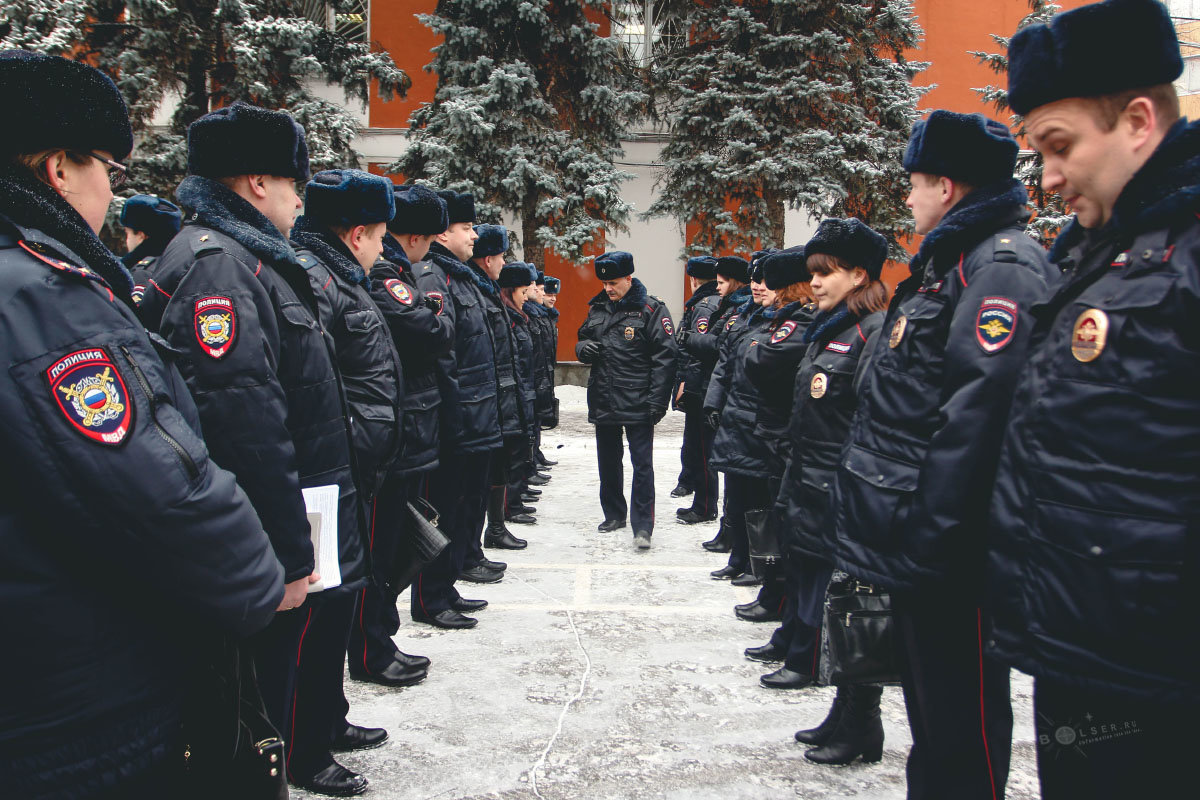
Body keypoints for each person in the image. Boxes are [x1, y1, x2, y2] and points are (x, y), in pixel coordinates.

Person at [0, 50, 284, 800]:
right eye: (106, 168)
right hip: (71, 700)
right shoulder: (42, 295)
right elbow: (150, 485)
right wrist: (254, 578)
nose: (111, 192)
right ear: (59, 168)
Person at [989, 2, 1197, 797]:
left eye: (1059, 146)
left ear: (1139, 121)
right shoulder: (1099, 254)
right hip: (1081, 651)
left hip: (1162, 685)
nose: (1045, 178)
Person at [138, 101, 372, 796]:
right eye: (294, 183)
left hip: (296, 508)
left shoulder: (250, 259)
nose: (303, 199)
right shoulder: (221, 267)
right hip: (269, 529)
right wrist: (285, 555)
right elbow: (245, 424)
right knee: (260, 698)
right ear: (257, 183)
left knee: (280, 680)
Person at [831, 110, 1056, 799]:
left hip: (954, 550)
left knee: (963, 731)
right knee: (934, 728)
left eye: (915, 183)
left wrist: (931, 535)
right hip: (921, 540)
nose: (907, 197)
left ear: (948, 188)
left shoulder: (1000, 269)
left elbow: (980, 421)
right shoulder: (949, 267)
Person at [289, 170, 409, 764]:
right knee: (317, 615)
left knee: (337, 605)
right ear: (356, 233)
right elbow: (316, 378)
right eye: (380, 237)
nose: (384, 249)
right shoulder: (316, 278)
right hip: (327, 472)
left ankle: (328, 720)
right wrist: (358, 437)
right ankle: (306, 746)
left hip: (351, 468)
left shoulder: (340, 276)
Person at [764, 221, 890, 763]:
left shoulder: (874, 329)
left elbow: (871, 418)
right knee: (830, 594)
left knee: (850, 602)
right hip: (814, 481)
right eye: (813, 273)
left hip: (843, 488)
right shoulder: (833, 327)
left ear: (859, 274)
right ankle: (845, 711)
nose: (814, 283)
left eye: (826, 272)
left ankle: (862, 722)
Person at [354, 183, 454, 683]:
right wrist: (430, 312)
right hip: (393, 432)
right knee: (382, 547)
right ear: (412, 236)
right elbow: (431, 330)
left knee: (393, 544)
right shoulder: (386, 274)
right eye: (430, 239)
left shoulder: (397, 271)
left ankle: (380, 639)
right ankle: (372, 647)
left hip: (407, 424)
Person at [411, 192, 503, 629]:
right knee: (443, 507)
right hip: (455, 417)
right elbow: (442, 356)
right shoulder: (434, 276)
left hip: (474, 413)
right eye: (468, 227)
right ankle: (430, 599)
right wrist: (451, 418)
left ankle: (444, 588)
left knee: (461, 504)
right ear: (444, 232)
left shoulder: (462, 277)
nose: (475, 235)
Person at [739, 245, 819, 690]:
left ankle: (801, 645)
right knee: (785, 541)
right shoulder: (792, 320)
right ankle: (788, 630)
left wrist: (756, 346)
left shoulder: (803, 320)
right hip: (783, 438)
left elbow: (764, 360)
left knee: (800, 550)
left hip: (797, 444)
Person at [576, 251, 678, 549]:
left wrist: (658, 402)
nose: (608, 288)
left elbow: (666, 357)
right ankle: (614, 514)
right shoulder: (597, 307)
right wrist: (582, 348)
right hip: (604, 396)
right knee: (608, 461)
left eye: (614, 282)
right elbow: (583, 335)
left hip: (638, 399)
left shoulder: (650, 309)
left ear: (629, 278)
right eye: (605, 282)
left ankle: (643, 525)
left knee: (641, 464)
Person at [704, 256, 778, 589]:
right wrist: (713, 402)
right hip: (735, 414)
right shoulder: (746, 313)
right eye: (755, 279)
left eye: (766, 280)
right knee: (736, 493)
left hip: (757, 420)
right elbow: (725, 362)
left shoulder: (779, 320)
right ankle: (738, 558)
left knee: (756, 497)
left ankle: (755, 563)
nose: (758, 285)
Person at [689, 253, 757, 553]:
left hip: (737, 400)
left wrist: (688, 338)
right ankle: (729, 532)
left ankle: (734, 533)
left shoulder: (739, 310)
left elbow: (717, 347)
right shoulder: (735, 309)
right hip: (721, 395)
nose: (716, 288)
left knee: (734, 471)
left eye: (721, 282)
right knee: (728, 466)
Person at [673, 255, 722, 523]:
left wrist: (683, 383)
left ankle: (704, 506)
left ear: (693, 279)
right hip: (704, 385)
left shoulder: (703, 307)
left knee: (702, 449)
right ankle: (701, 502)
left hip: (700, 387)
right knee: (699, 447)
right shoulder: (710, 303)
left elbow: (696, 350)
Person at [119, 193, 182, 305]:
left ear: (140, 235)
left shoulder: (140, 274)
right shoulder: (179, 265)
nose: (126, 240)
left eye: (127, 233)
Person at [540, 275, 562, 430]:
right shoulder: (537, 317)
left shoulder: (551, 317)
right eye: (549, 294)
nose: (553, 298)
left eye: (555, 295)